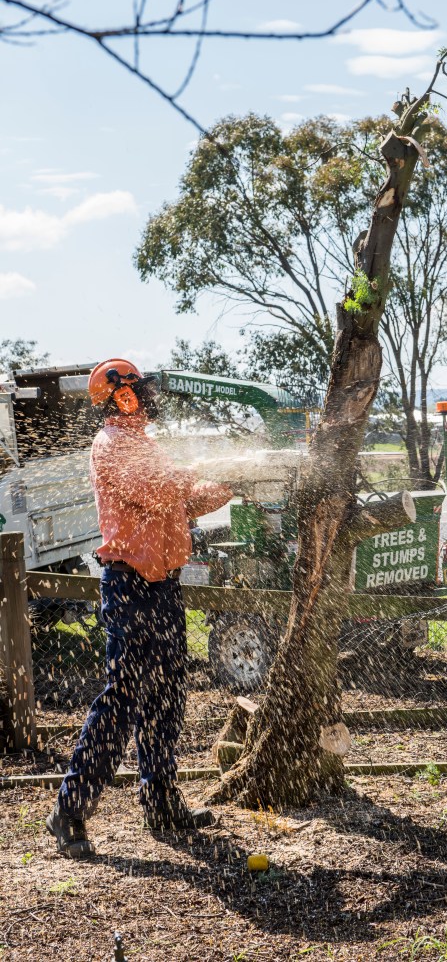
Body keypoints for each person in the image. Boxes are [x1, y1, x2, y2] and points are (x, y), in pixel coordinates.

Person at [46, 358, 233, 858]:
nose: (145, 396)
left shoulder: (148, 445)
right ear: (117, 395)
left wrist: (230, 483)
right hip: (129, 586)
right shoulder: (109, 445)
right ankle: (68, 811)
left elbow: (180, 501)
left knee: (166, 697)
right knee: (121, 700)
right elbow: (153, 492)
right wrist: (197, 472)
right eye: (136, 389)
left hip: (164, 587)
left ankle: (161, 801)